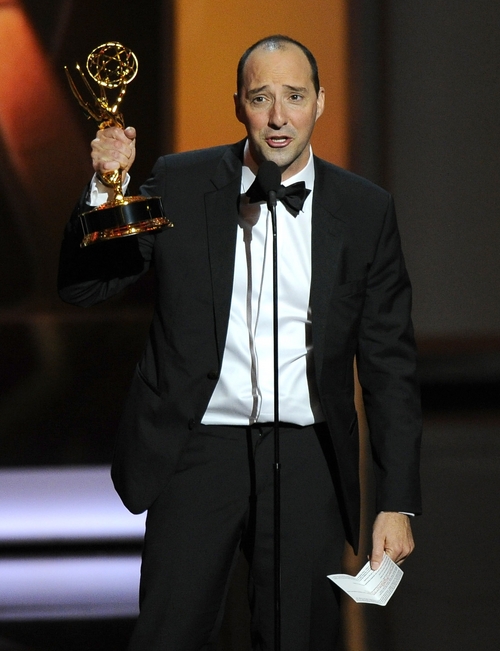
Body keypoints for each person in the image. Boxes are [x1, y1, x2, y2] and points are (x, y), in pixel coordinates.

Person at [58, 35, 422, 651]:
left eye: (295, 97)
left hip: (307, 456)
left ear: (320, 102)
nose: (279, 117)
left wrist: (396, 501)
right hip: (197, 448)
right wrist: (103, 187)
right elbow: (87, 287)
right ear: (238, 105)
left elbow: (390, 366)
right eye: (261, 98)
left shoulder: (365, 210)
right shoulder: (180, 182)